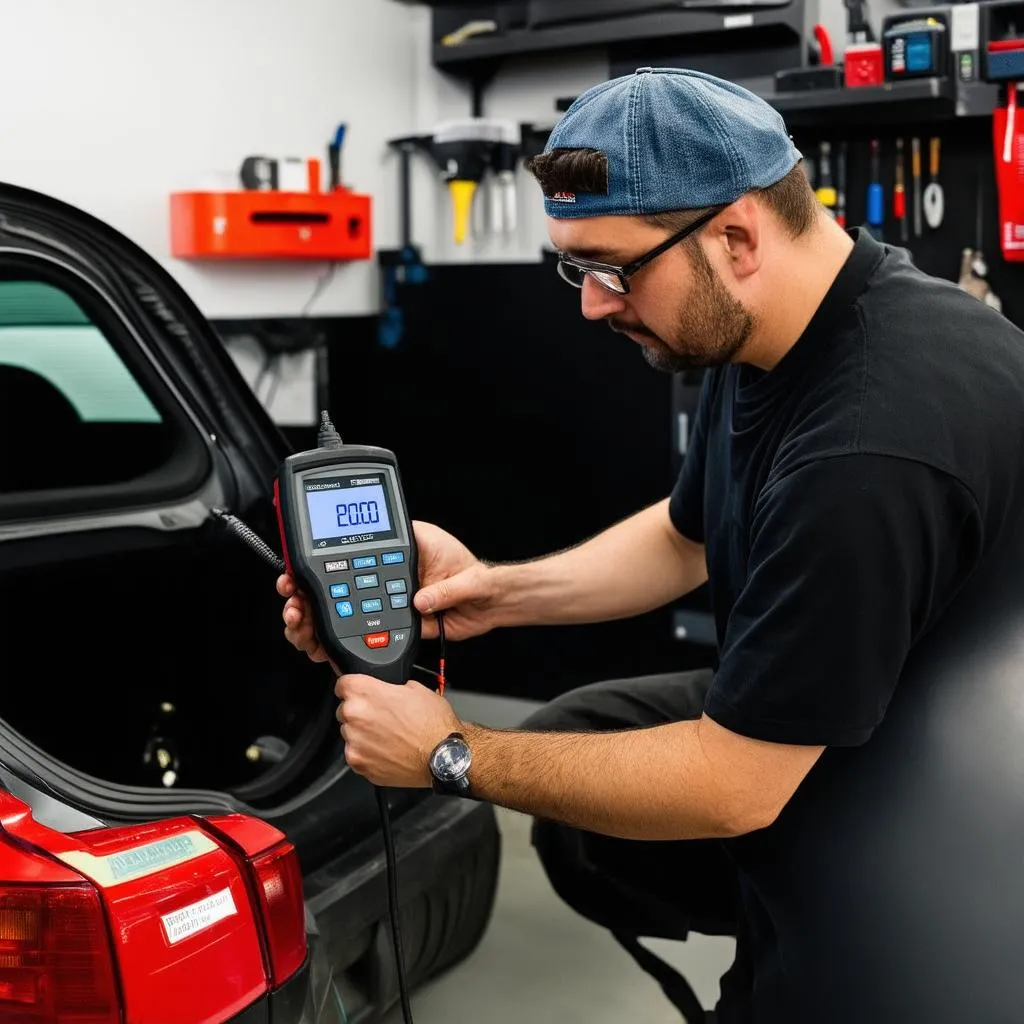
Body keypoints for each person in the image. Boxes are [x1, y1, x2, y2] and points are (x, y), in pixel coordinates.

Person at [276, 68, 1024, 1022]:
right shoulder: (770, 324)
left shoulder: (868, 443)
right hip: (860, 710)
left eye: (612, 268)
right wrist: (495, 591)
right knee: (579, 756)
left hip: (950, 816)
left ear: (738, 236)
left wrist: (453, 753)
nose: (591, 305)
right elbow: (687, 539)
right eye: (574, 267)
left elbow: (735, 785)